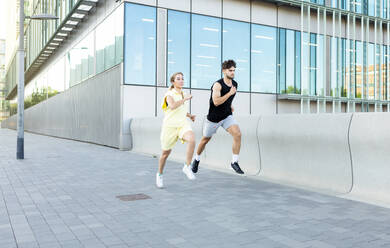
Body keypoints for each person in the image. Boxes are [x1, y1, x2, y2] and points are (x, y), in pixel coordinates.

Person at [191, 60, 244, 174]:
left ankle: (234, 162)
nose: (233, 73)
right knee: (205, 140)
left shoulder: (235, 84)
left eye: (234, 70)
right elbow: (216, 102)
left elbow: (227, 100)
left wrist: (230, 106)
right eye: (230, 70)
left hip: (226, 116)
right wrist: (229, 93)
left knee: (237, 134)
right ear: (224, 71)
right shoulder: (217, 85)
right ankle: (196, 159)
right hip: (213, 119)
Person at [156, 72, 197, 188]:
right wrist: (185, 99)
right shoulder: (169, 94)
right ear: (173, 82)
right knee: (165, 154)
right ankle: (159, 174)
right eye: (178, 79)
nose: (181, 80)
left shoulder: (183, 93)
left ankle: (187, 166)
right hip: (170, 127)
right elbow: (173, 106)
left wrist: (190, 116)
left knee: (192, 139)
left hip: (182, 125)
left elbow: (181, 110)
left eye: (182, 79)